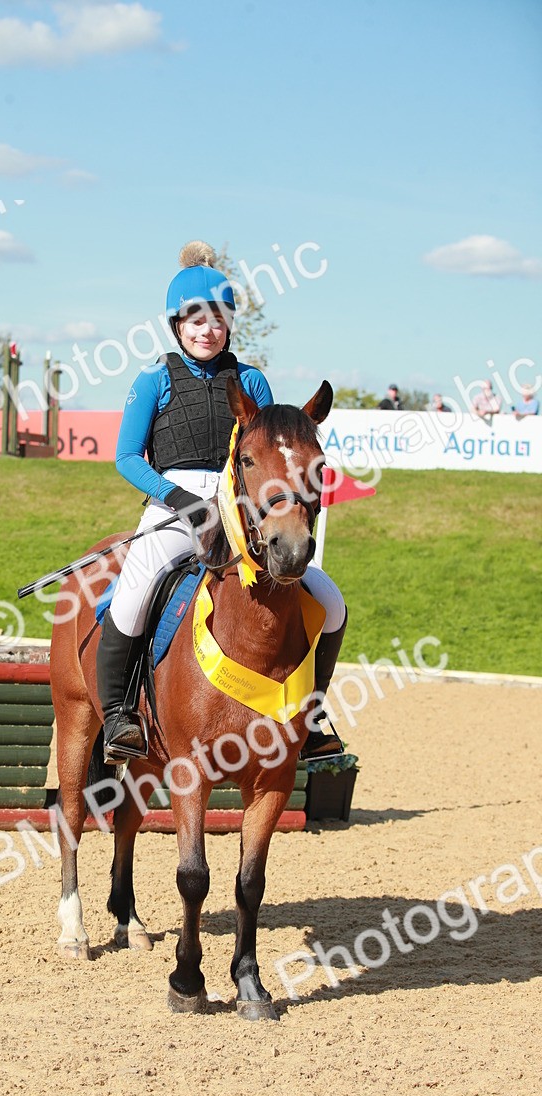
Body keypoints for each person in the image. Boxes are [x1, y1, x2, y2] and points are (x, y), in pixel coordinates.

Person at [97, 241, 348, 763]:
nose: (207, 329)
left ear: (229, 325)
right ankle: (120, 717)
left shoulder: (251, 380)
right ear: (177, 326)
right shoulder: (154, 379)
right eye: (195, 320)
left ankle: (313, 711)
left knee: (331, 603)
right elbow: (126, 457)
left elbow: (271, 453)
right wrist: (181, 499)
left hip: (243, 510)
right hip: (173, 506)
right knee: (134, 591)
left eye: (217, 319)